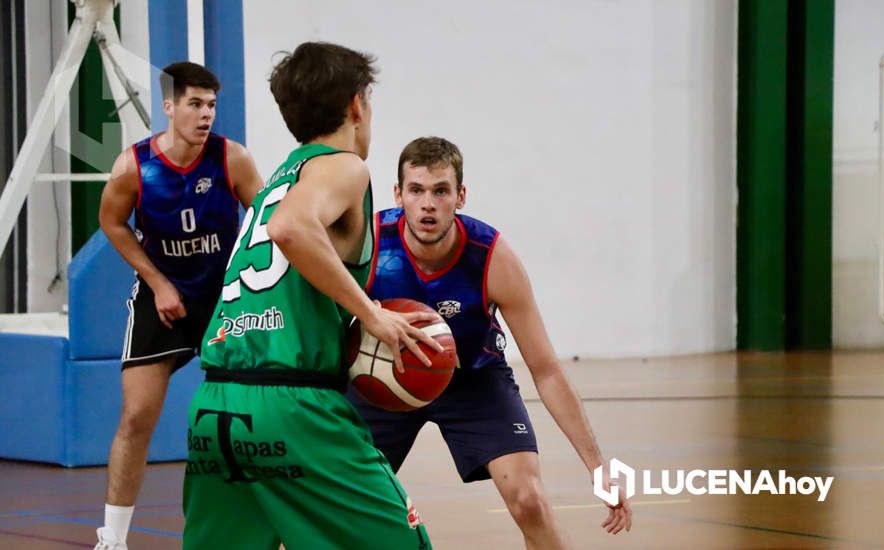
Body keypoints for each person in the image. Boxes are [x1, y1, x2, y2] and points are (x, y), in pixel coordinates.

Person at [181, 42, 439, 549]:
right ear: (357, 105)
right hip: (294, 407)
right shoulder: (344, 166)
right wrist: (372, 315)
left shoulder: (283, 174)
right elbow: (292, 227)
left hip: (216, 406)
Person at [348, 136, 632, 549]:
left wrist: (597, 467)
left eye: (441, 191)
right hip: (383, 379)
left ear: (460, 196)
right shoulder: (367, 243)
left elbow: (546, 369)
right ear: (398, 194)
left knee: (529, 500)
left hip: (472, 380)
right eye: (417, 190)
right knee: (331, 503)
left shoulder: (492, 257)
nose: (428, 203)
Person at [95, 61, 263, 550]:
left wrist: (247, 279)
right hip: (161, 298)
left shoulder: (232, 158)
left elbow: (269, 220)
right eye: (194, 104)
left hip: (223, 300)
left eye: (211, 105)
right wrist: (157, 281)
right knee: (136, 416)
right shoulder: (134, 166)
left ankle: (263, 527)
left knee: (255, 415)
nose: (205, 114)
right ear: (169, 107)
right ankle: (113, 538)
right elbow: (113, 223)